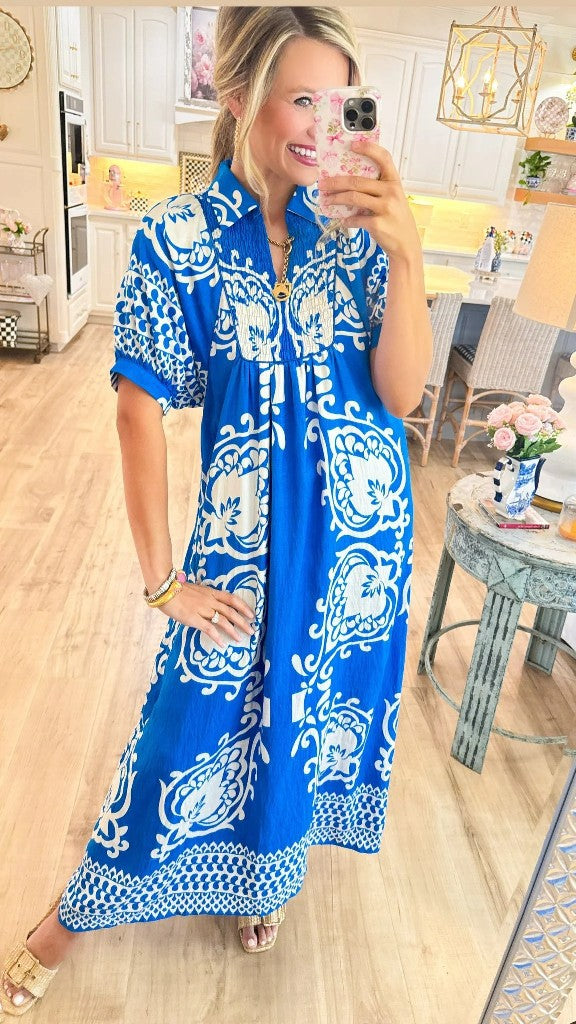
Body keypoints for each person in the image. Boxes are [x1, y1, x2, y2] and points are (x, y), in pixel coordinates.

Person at [1, 5, 432, 1014]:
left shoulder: (364, 235)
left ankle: (264, 882)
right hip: (241, 552)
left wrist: (408, 253)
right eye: (302, 99)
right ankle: (70, 918)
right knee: (185, 729)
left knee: (307, 726)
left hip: (359, 555)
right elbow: (137, 409)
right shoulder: (178, 239)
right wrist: (162, 581)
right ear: (240, 96)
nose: (326, 125)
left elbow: (403, 394)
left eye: (343, 102)